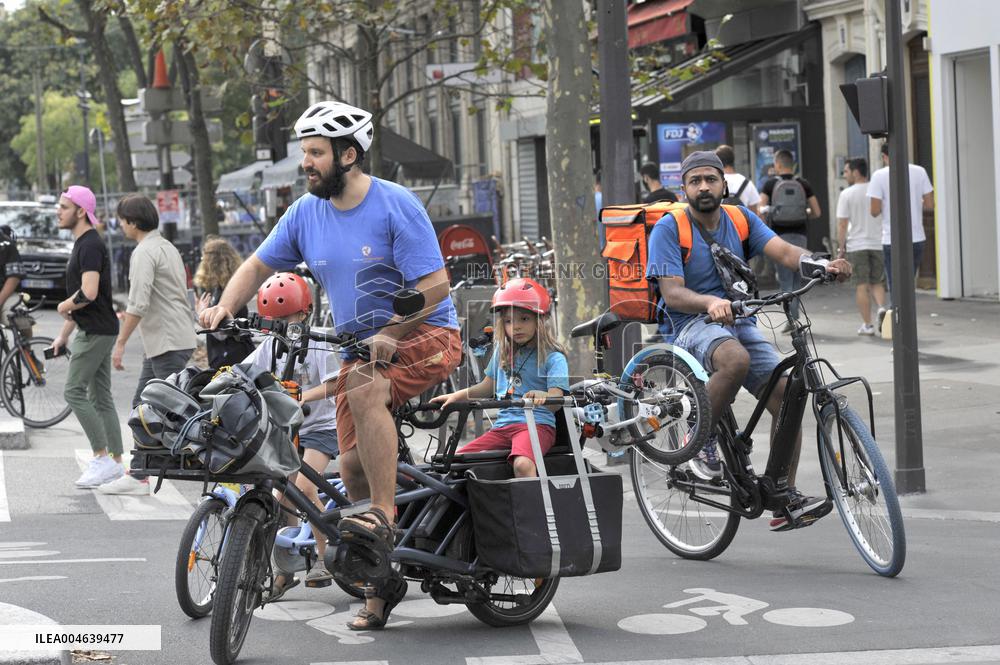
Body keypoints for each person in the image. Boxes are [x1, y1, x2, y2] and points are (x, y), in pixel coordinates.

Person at [199, 100, 461, 631]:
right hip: (360, 352)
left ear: (349, 154)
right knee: (350, 466)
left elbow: (435, 286)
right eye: (305, 153)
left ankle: (383, 517)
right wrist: (226, 305)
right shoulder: (304, 213)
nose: (306, 163)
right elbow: (255, 264)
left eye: (316, 153)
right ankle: (378, 584)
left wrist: (391, 331)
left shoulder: (395, 205)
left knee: (365, 387)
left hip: (428, 335)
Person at [646, 151, 851, 530]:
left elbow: (787, 252)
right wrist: (710, 301)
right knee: (735, 361)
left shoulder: (740, 218)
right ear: (684, 188)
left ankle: (781, 494)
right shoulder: (670, 228)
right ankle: (700, 436)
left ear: (724, 183)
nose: (704, 186)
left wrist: (822, 265)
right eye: (695, 181)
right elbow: (672, 293)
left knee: (789, 392)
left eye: (711, 179)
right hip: (690, 323)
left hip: (739, 320)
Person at [247, 273, 341, 599]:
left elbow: (335, 383)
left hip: (321, 427)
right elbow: (246, 373)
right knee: (280, 496)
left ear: (305, 313)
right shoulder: (271, 346)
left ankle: (323, 556)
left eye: (287, 318)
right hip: (287, 430)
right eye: (274, 320)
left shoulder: (320, 342)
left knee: (303, 487)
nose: (281, 327)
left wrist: (303, 396)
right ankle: (284, 570)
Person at [96, 194, 198, 495]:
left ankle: (151, 469)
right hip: (171, 338)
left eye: (121, 220)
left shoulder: (143, 253)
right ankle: (140, 470)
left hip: (167, 340)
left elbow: (137, 303)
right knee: (145, 405)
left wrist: (120, 343)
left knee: (160, 408)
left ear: (133, 222)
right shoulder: (166, 246)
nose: (120, 225)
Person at [431, 278, 569, 477]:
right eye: (508, 321)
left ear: (540, 319)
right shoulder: (503, 352)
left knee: (522, 465)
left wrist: (543, 395)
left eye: (524, 319)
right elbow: (487, 387)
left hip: (536, 425)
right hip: (503, 427)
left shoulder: (554, 357)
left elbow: (557, 400)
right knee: (455, 463)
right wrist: (455, 396)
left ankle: (533, 507)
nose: (516, 327)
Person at [49, 186, 123, 489]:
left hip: (95, 332)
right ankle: (116, 462)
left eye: (64, 207)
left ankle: (101, 457)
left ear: (80, 211)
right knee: (101, 397)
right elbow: (86, 300)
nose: (58, 211)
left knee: (74, 392)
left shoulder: (89, 245)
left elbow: (88, 293)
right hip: (97, 328)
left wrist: (62, 306)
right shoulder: (86, 243)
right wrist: (63, 335)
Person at [759, 149, 822, 329]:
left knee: (785, 279)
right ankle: (794, 316)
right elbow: (816, 212)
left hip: (779, 238)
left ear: (777, 165)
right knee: (797, 278)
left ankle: (792, 319)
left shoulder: (770, 184)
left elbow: (760, 210)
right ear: (792, 164)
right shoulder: (803, 184)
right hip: (800, 235)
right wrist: (802, 213)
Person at [867, 142, 934, 310]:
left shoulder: (879, 176)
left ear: (884, 156)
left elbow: (874, 210)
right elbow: (930, 205)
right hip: (917, 237)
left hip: (891, 238)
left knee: (895, 283)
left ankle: (897, 321)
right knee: (908, 283)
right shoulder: (920, 172)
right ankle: (907, 318)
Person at [836, 158, 886, 336]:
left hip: (857, 245)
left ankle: (867, 325)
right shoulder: (876, 190)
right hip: (878, 242)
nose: (844, 174)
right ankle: (881, 308)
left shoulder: (847, 194)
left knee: (861, 285)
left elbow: (842, 224)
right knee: (877, 281)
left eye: (847, 171)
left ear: (856, 172)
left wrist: (841, 248)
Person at [193, 237, 256, 368]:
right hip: (232, 356)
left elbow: (222, 334)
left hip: (233, 359)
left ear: (212, 262)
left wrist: (201, 313)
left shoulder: (227, 294)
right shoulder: (224, 289)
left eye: (204, 259)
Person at [716, 145, 760, 215]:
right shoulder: (747, 183)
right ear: (733, 160)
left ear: (717, 161)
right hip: (741, 225)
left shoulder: (714, 182)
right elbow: (754, 213)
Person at [0, 224, 24, 318]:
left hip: (4, 294)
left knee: (19, 319)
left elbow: (14, 277)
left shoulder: (6, 244)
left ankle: (25, 332)